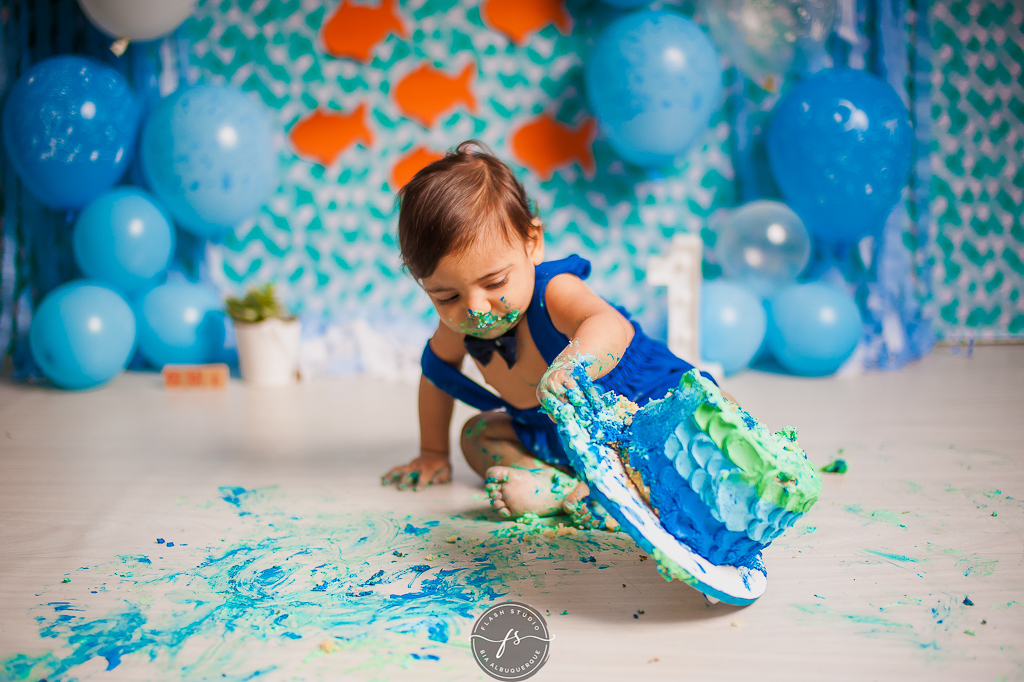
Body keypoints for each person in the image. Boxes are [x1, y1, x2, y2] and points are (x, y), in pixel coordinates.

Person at [381, 140, 716, 524]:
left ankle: (623, 487)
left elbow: (610, 325)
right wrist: (433, 452)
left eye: (494, 283)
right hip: (557, 436)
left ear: (532, 242)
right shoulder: (459, 325)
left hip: (635, 404)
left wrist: (573, 364)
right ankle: (555, 485)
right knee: (477, 436)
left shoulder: (553, 293)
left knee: (697, 425)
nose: (474, 308)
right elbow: (436, 375)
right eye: (446, 295)